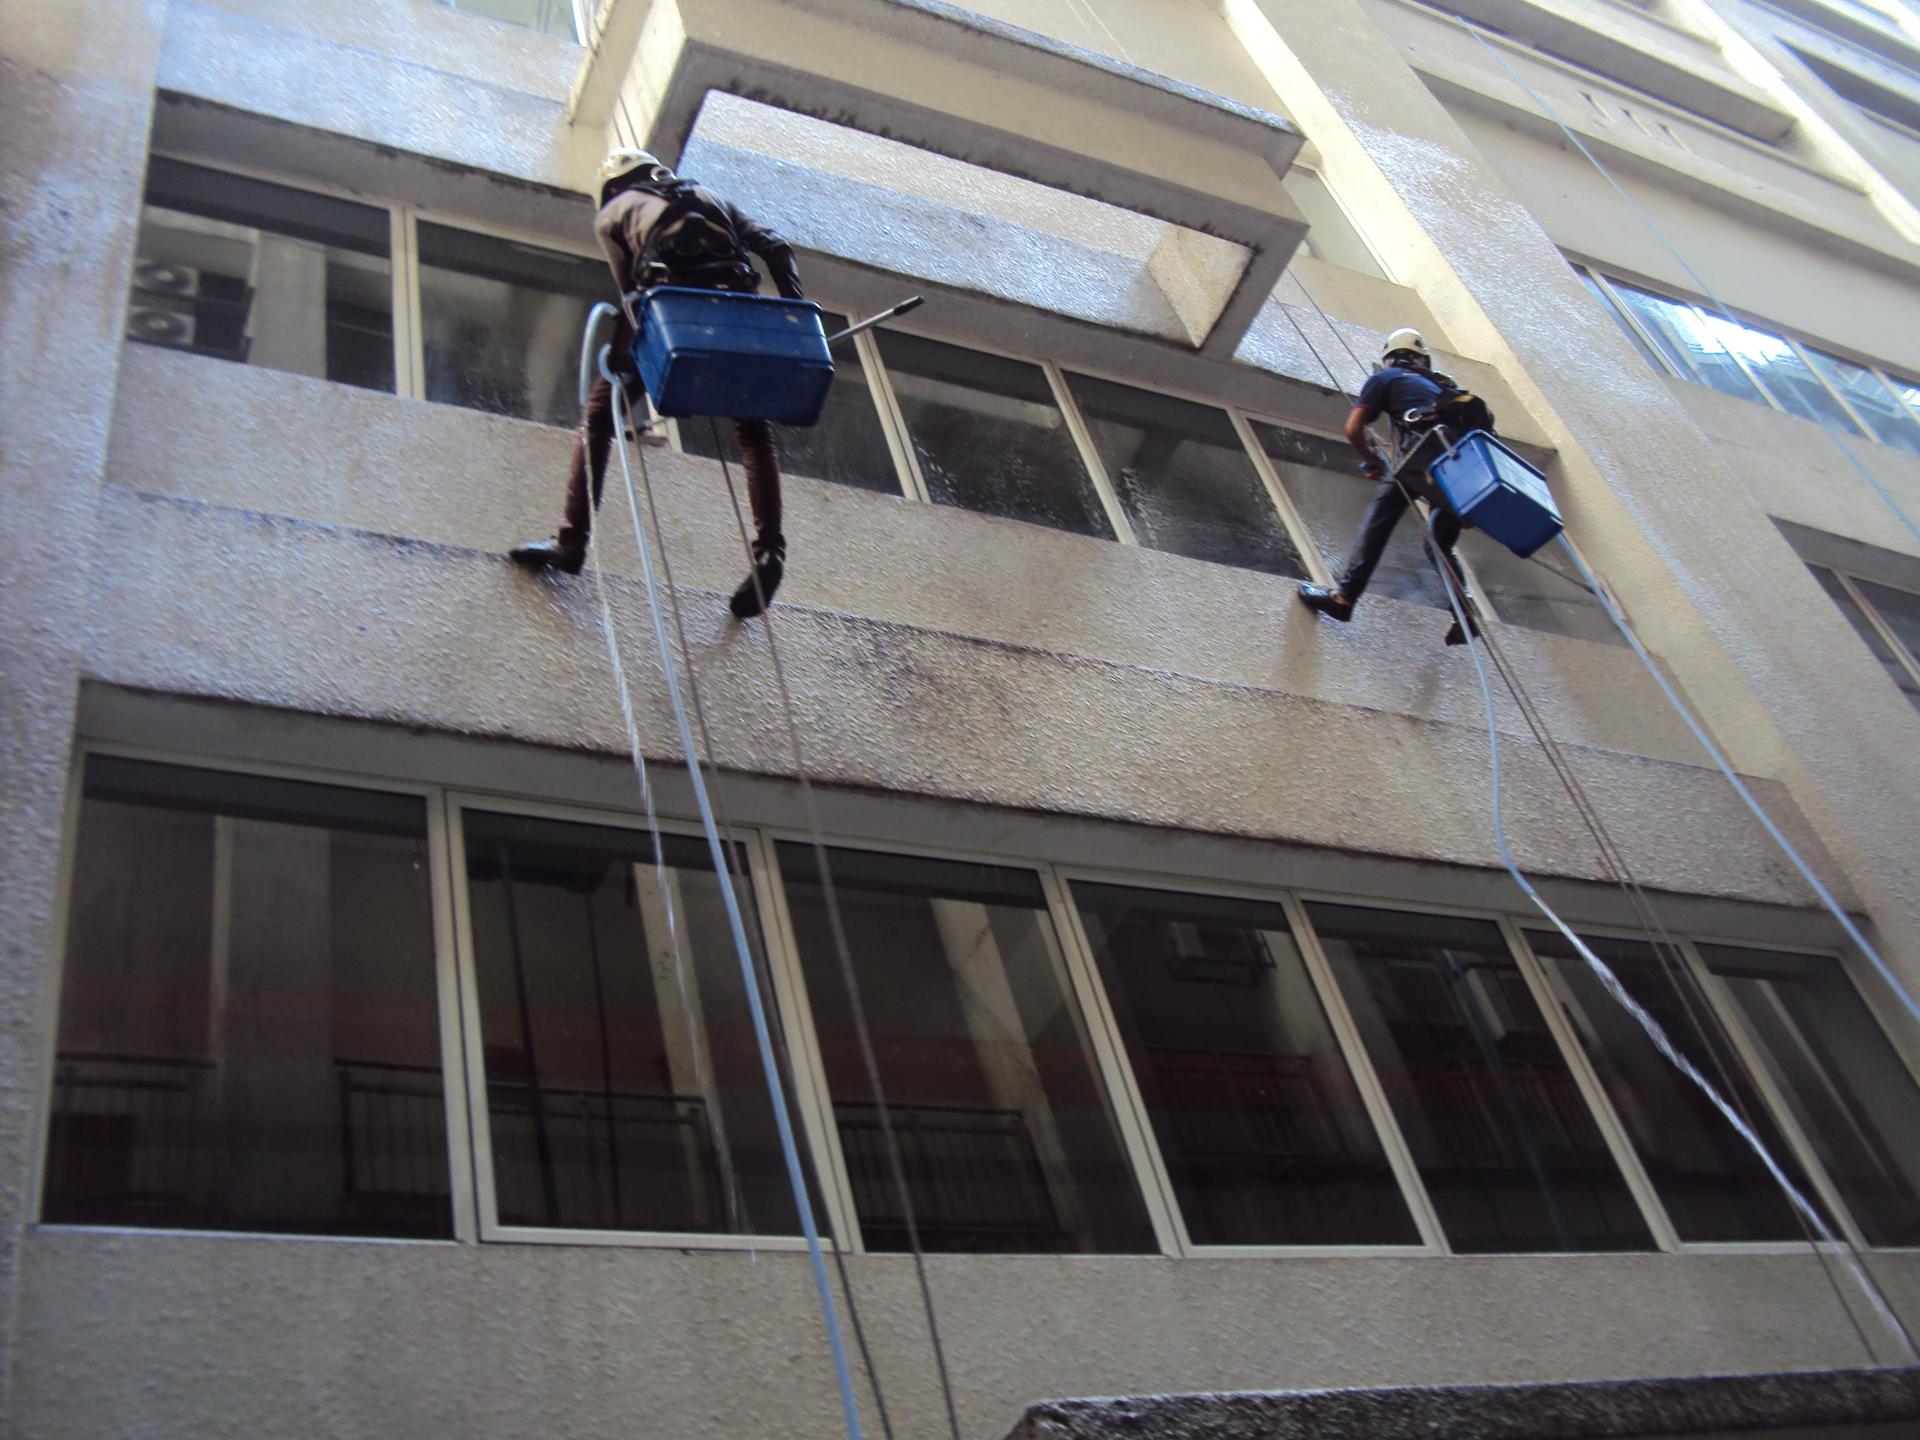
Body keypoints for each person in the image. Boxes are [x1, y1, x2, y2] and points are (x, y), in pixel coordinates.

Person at [511, 148, 805, 619]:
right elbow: (776, 247)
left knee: (599, 419)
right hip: (738, 315)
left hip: (676, 315)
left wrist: (623, 361)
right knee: (753, 433)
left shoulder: (613, 213)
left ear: (613, 186)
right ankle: (771, 549)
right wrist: (794, 312)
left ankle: (571, 541)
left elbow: (632, 294)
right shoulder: (712, 196)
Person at [1297, 326, 1491, 646]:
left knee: (1380, 516)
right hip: (1461, 468)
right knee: (1438, 544)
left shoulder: (1384, 379)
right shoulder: (1443, 386)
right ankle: (1465, 611)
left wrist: (1371, 460)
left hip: (1422, 454)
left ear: (1389, 359)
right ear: (1422, 360)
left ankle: (1344, 598)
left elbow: (1353, 429)